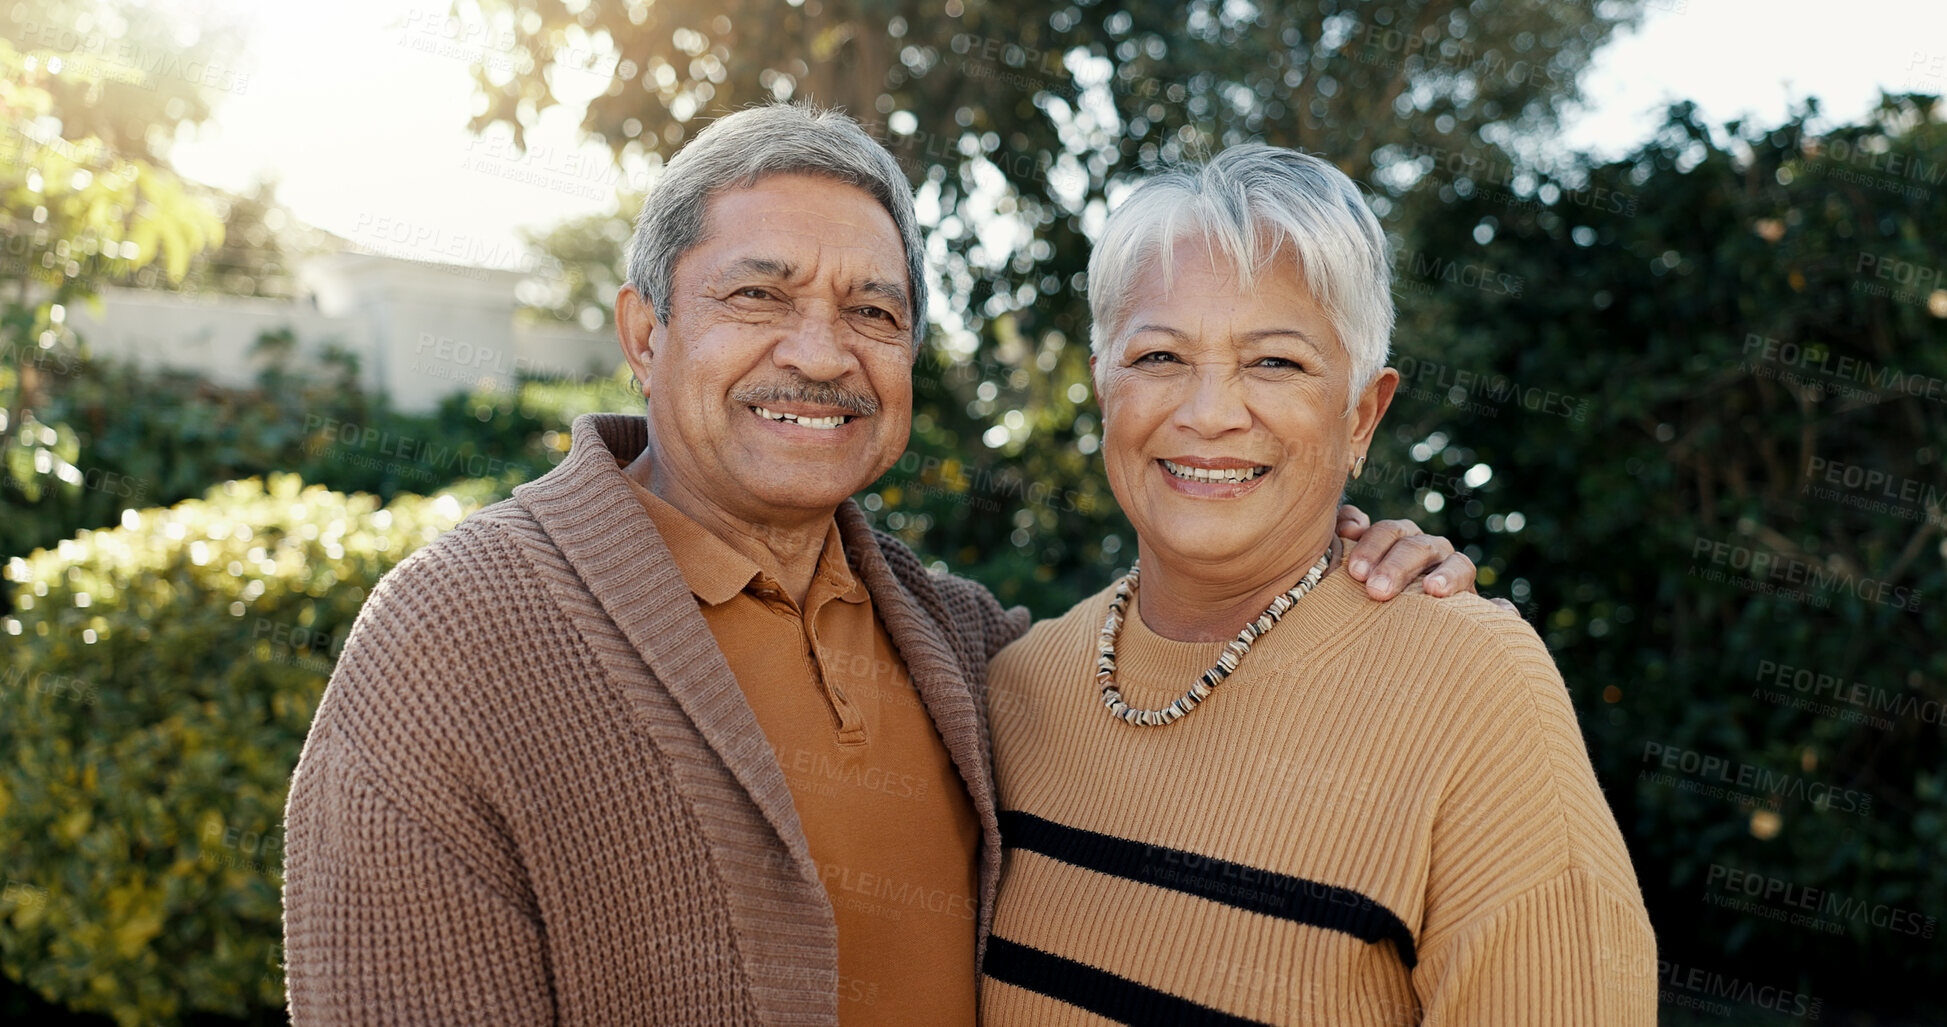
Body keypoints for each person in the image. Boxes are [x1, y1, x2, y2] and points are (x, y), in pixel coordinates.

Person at [280, 104, 1478, 1026]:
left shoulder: (970, 650)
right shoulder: (457, 637)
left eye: (874, 311)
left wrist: (1336, 565)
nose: (821, 351)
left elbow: (1187, 699)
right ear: (646, 334)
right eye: (759, 294)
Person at [978, 144, 1656, 1025]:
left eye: (1275, 363)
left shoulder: (1473, 687)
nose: (1210, 411)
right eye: (1156, 357)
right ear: (1104, 384)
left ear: (1361, 417)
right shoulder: (1011, 687)